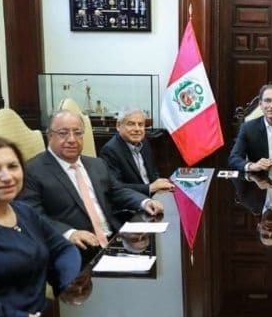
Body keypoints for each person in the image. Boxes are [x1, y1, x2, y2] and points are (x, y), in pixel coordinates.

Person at [19, 110, 164, 261]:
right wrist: (69, 233)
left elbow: (118, 191)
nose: (72, 139)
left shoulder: (96, 164)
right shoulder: (32, 171)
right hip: (76, 250)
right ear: (50, 136)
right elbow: (32, 215)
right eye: (63, 133)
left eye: (78, 133)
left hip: (115, 239)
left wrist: (145, 202)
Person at [0, 137, 81, 317]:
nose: (7, 177)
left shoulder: (24, 211)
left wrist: (67, 285)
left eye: (13, 166)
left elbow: (64, 249)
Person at [99, 107, 174, 195]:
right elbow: (116, 187)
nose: (137, 129)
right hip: (132, 200)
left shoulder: (144, 142)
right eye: (131, 124)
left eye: (140, 124)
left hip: (153, 194)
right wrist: (150, 188)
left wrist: (160, 183)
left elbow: (153, 172)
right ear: (118, 126)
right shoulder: (110, 150)